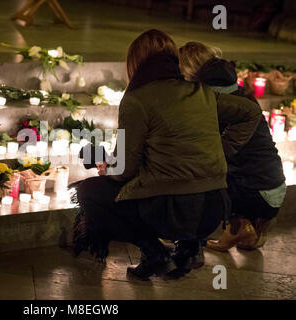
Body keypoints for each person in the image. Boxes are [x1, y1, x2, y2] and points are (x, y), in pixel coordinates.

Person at [73, 29, 263, 280]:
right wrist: (222, 149)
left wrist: (106, 168)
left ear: (135, 63)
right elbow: (251, 112)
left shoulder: (138, 99)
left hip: (172, 210)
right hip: (215, 208)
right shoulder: (199, 91)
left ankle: (153, 252)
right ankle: (188, 248)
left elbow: (124, 171)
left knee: (90, 192)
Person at [178, 41, 286, 251]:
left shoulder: (212, 101)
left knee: (200, 170)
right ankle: (253, 230)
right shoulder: (238, 91)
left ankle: (236, 226)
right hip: (275, 185)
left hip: (255, 192)